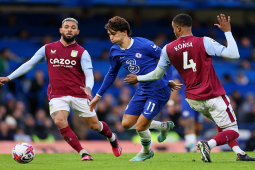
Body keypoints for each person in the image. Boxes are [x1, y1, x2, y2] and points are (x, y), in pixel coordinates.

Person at [124, 14, 255, 162]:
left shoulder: (168, 48)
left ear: (178, 27)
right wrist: (228, 32)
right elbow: (234, 54)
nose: (174, 31)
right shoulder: (203, 41)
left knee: (222, 124)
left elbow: (156, 74)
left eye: (174, 28)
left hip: (193, 99)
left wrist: (138, 78)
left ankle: (240, 153)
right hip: (212, 95)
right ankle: (208, 144)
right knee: (233, 131)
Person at [0, 18, 122, 161]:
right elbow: (30, 64)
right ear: (61, 30)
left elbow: (89, 74)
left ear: (77, 31)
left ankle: (112, 138)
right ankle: (83, 153)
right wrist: (9, 77)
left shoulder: (82, 52)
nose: (69, 29)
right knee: (59, 121)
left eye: (72, 27)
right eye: (66, 27)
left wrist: (88, 88)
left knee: (95, 126)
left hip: (79, 94)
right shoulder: (47, 48)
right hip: (57, 94)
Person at [89, 16, 181, 161]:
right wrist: (98, 95)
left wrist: (168, 78)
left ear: (124, 32)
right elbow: (112, 73)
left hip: (158, 89)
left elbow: (166, 58)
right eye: (109, 35)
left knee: (140, 127)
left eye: (114, 34)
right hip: (143, 89)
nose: (111, 37)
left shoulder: (143, 44)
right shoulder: (114, 51)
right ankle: (162, 126)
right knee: (126, 124)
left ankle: (146, 151)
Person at [169, 73, 203, 152]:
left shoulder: (202, 67)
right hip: (187, 98)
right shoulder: (181, 69)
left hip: (200, 99)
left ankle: (189, 143)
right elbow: (176, 85)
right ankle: (192, 146)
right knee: (189, 121)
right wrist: (171, 102)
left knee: (198, 126)